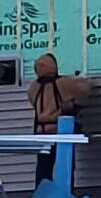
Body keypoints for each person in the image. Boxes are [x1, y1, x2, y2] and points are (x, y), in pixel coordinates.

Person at [26, 53, 78, 187]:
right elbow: (84, 90)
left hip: (41, 134)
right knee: (65, 166)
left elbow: (34, 103)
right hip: (59, 131)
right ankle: (65, 193)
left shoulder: (33, 88)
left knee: (43, 168)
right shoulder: (63, 83)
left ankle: (42, 193)